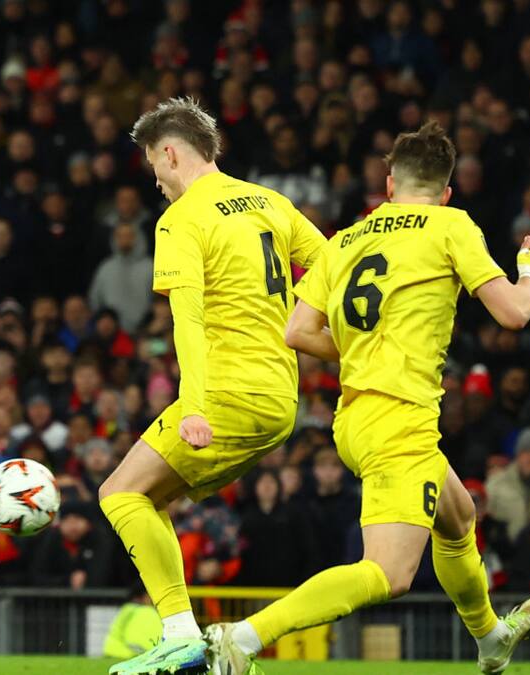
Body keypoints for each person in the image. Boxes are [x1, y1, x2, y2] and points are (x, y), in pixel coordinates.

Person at [208, 121, 530, 674]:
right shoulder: (450, 225)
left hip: (354, 418)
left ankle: (490, 637)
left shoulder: (347, 238)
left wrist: (360, 354)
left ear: (390, 184)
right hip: (400, 418)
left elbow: (298, 332)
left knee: (459, 517)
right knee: (389, 574)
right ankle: (245, 637)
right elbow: (514, 314)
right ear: (446, 192)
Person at [97, 97, 326, 675]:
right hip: (279, 401)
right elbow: (334, 269)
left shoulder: (182, 218)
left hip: (224, 395)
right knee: (150, 499)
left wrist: (194, 406)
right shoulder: (270, 201)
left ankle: (180, 635)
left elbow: (188, 323)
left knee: (118, 494)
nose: (157, 182)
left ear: (170, 153)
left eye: (154, 167)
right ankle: (188, 642)